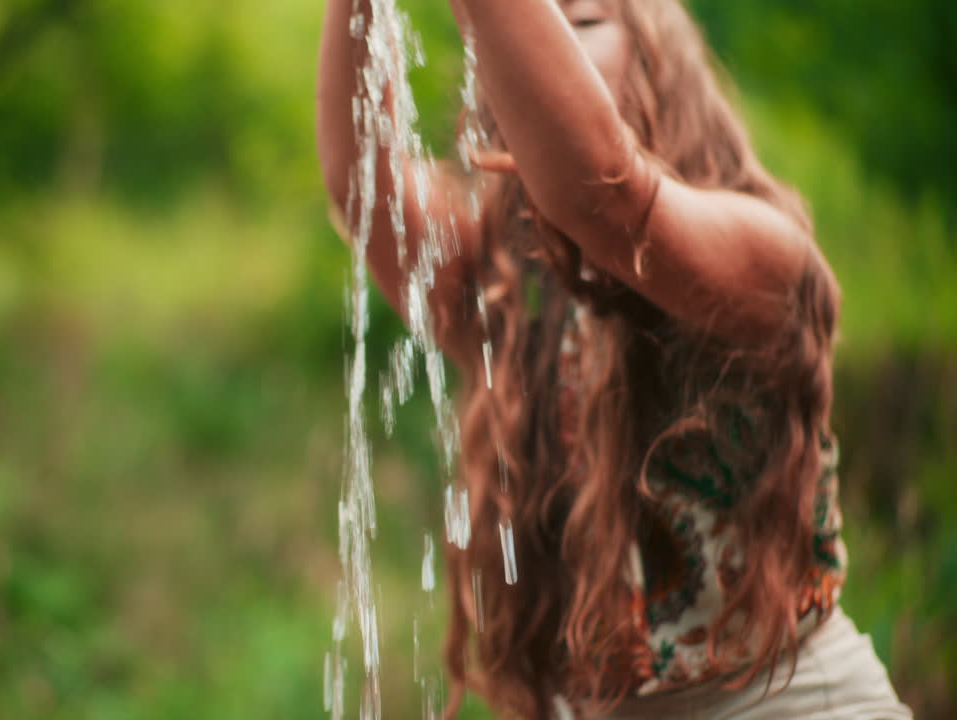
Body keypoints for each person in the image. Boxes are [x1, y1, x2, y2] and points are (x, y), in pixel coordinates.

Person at [316, 1, 915, 718]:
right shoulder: (505, 281)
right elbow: (362, 177)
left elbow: (601, 190)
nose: (543, 43)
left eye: (583, 23)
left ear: (666, 70)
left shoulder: (768, 255)